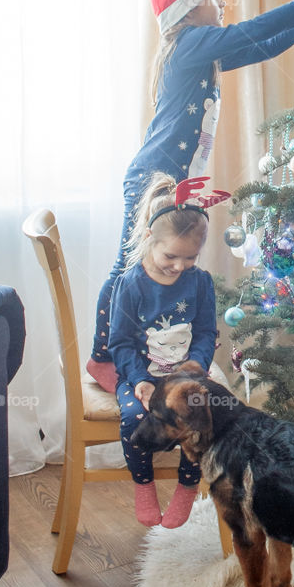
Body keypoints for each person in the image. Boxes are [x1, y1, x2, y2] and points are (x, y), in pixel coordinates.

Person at [88, 0, 294, 392]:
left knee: (143, 268)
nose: (221, 4)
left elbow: (263, 46)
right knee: (128, 268)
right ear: (188, 8)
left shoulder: (202, 50)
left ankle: (149, 355)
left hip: (172, 181)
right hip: (153, 178)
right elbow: (251, 30)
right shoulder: (190, 43)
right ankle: (103, 357)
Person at [109, 171, 223, 528]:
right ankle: (143, 485)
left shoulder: (200, 282)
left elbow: (205, 332)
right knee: (134, 419)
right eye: (171, 256)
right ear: (149, 239)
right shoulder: (130, 285)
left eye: (191, 258)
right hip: (141, 375)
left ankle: (187, 486)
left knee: (203, 415)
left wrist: (196, 365)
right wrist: (140, 380)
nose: (180, 266)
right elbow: (120, 343)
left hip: (188, 373)